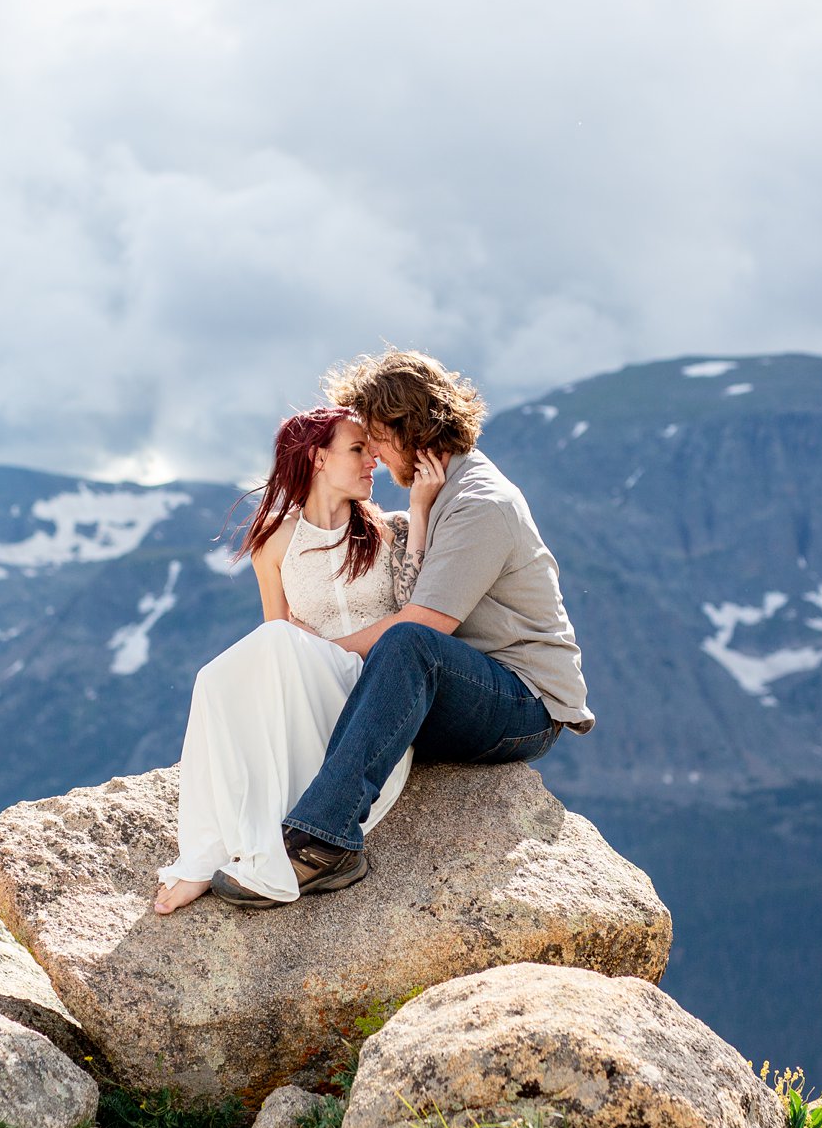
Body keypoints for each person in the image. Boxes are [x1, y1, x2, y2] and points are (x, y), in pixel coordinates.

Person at [213, 348, 592, 910]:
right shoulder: (442, 495)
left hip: (524, 703)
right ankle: (256, 831)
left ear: (407, 429)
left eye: (378, 438)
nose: (375, 453)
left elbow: (425, 623)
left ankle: (327, 839)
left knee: (408, 642)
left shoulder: (479, 503)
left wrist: (320, 654)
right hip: (465, 688)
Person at [151, 406, 436, 914]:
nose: (373, 458)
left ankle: (240, 845)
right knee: (216, 679)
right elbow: (275, 645)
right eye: (357, 449)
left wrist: (419, 515)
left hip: (380, 697)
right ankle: (208, 851)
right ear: (317, 457)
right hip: (311, 697)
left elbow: (417, 621)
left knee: (277, 644)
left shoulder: (388, 529)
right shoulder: (274, 543)